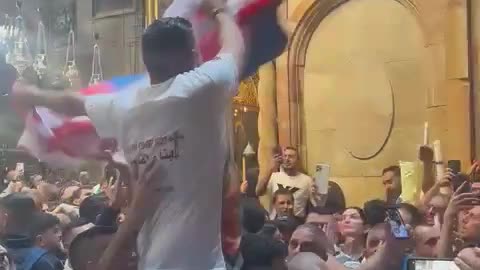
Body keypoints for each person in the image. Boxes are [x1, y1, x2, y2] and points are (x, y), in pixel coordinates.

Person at [13, 0, 245, 267]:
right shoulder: (202, 87)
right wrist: (220, 11)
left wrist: (31, 94)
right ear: (192, 55)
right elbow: (234, 50)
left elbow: (72, 102)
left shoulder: (125, 103)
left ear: (147, 62)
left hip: (152, 260)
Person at [256, 147, 321, 218]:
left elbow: (317, 204)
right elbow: (259, 192)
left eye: (291, 157)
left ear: (298, 160)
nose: (287, 159)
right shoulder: (274, 176)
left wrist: (318, 192)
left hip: (297, 222)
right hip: (276, 221)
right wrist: (271, 168)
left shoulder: (307, 180)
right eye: (285, 156)